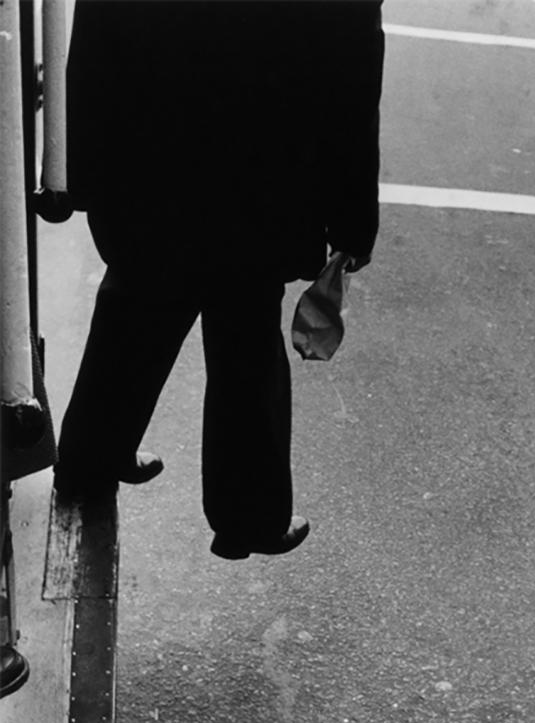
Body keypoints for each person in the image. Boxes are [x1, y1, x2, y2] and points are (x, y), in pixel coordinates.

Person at [54, 0, 385, 559]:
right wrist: (352, 218)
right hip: (264, 161)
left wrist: (76, 172)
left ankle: (91, 460)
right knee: (246, 331)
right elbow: (351, 73)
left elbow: (96, 34)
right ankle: (247, 517)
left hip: (148, 144)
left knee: (135, 302)